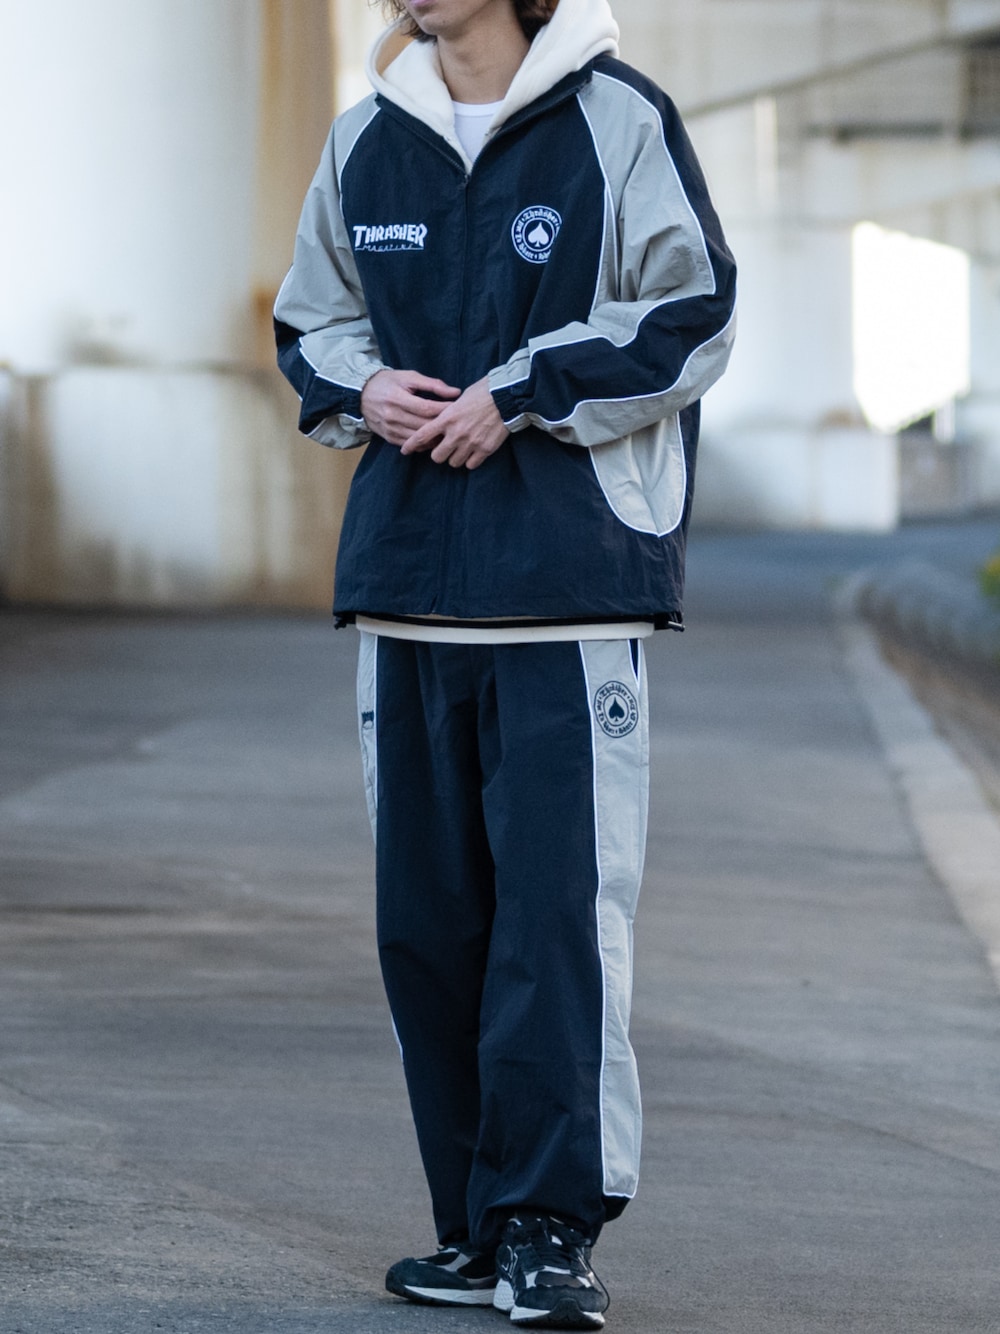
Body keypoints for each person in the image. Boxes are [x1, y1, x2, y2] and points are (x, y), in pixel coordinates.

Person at [275, 0, 735, 1325]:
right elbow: (309, 325)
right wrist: (362, 389)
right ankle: (474, 1230)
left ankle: (547, 1227)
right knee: (428, 933)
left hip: (563, 591)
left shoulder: (617, 119)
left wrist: (523, 390)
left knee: (555, 923)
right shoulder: (367, 140)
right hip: (408, 590)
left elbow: (694, 311)